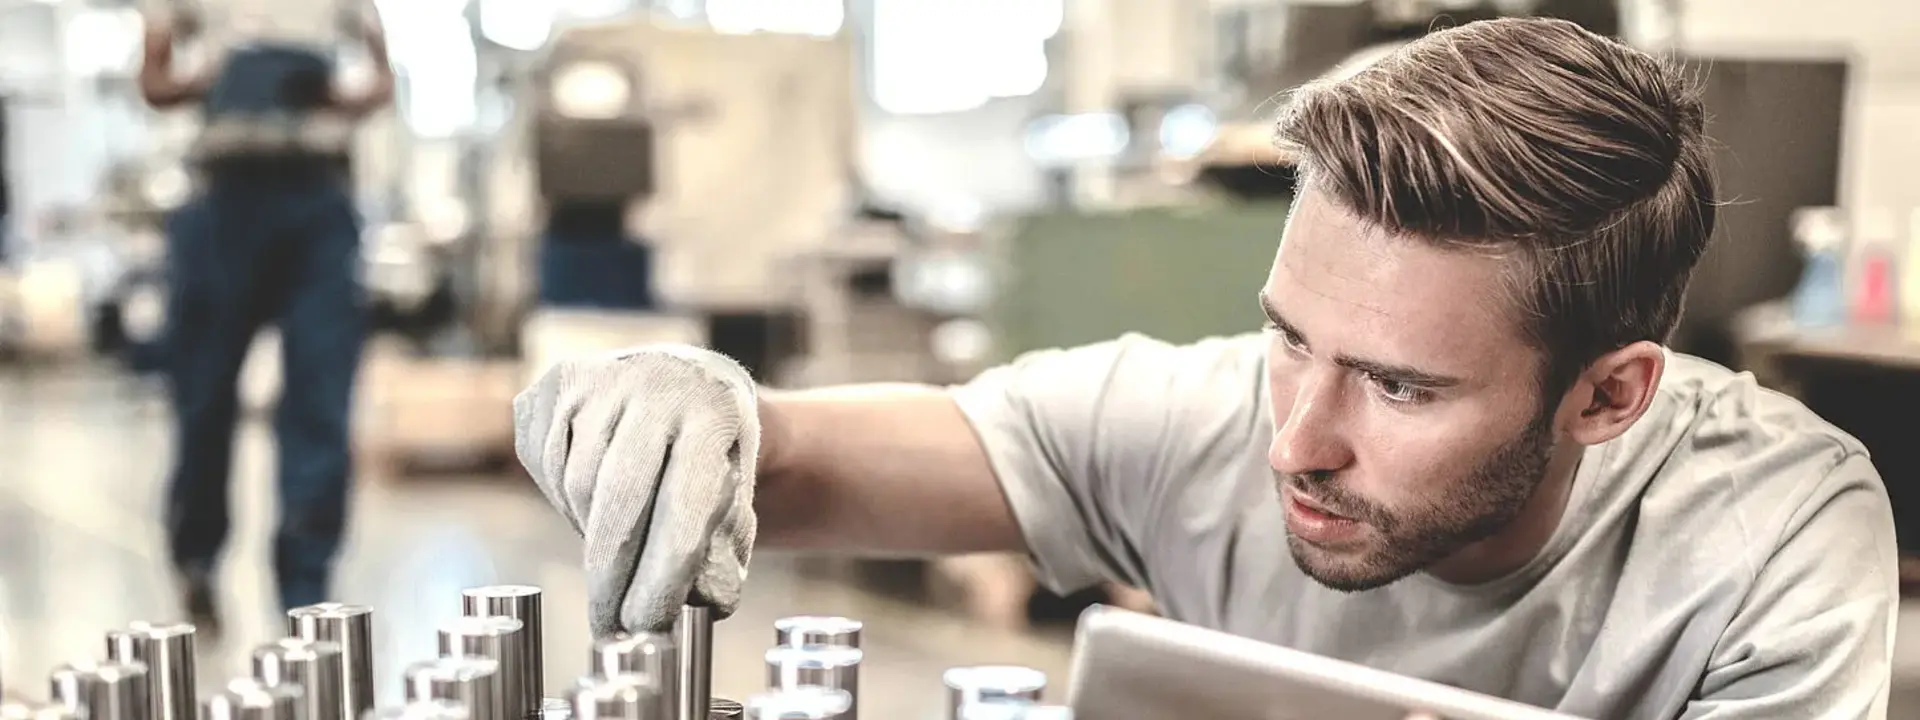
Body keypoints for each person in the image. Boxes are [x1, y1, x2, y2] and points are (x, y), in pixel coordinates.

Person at [513, 18, 1898, 719]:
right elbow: (791, 464)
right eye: (1289, 334)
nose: (1297, 436)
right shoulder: (1192, 421)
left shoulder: (1773, 540)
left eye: (1399, 386)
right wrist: (669, 399)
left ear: (1611, 394)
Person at [138, 7, 394, 627]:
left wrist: (327, 94)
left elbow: (380, 80)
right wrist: (223, 77)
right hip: (223, 204)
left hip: (317, 206)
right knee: (203, 398)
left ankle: (305, 589)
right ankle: (195, 556)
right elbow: (154, 82)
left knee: (319, 401)